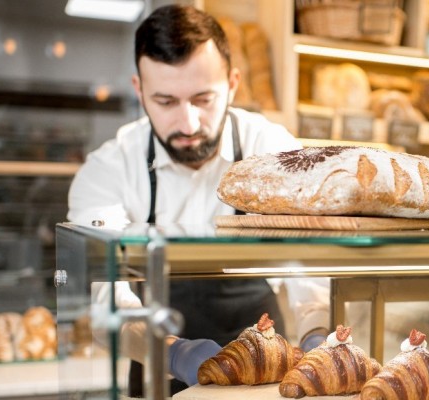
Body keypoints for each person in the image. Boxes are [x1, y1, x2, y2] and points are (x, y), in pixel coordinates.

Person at [67, 5, 329, 396]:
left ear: (233, 84)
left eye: (203, 99)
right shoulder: (110, 167)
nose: (188, 124)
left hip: (266, 370)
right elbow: (106, 299)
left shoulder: (273, 151)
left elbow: (311, 269)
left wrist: (318, 338)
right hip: (158, 366)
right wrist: (177, 355)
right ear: (139, 91)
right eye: (166, 101)